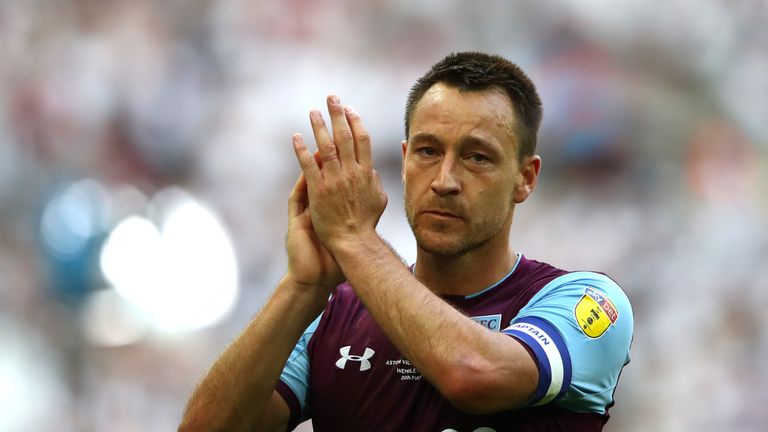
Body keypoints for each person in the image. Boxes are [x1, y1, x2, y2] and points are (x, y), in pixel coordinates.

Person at [178, 51, 633, 432]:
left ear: (525, 178)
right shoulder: (334, 311)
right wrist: (302, 287)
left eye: (477, 157)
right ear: (404, 158)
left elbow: (471, 375)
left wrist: (355, 240)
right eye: (428, 151)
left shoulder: (586, 301)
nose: (445, 180)